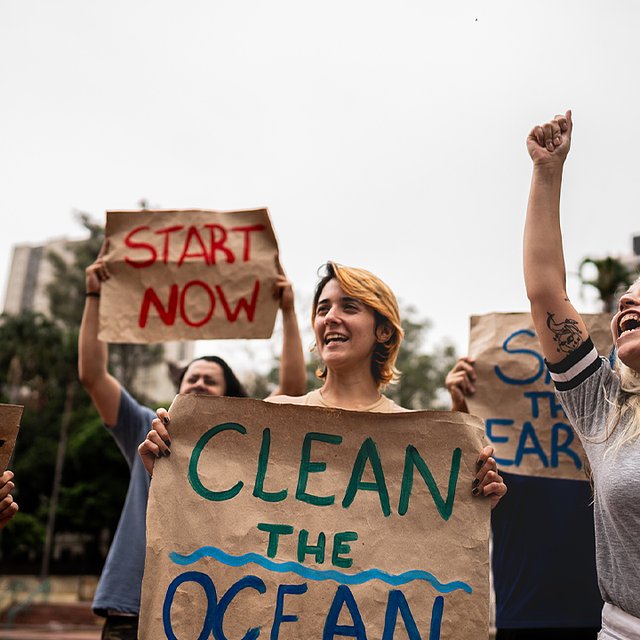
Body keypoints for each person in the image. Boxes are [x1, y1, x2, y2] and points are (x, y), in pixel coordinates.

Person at [140, 261, 507, 513]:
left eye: (349, 306)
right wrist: (167, 469)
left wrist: (473, 502)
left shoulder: (415, 437)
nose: (331, 317)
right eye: (322, 308)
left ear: (383, 331)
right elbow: (223, 513)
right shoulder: (277, 415)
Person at [79, 244, 307, 640]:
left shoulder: (246, 443)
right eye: (191, 378)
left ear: (231, 399)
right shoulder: (146, 426)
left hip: (209, 612)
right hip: (130, 610)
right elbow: (93, 375)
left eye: (210, 380)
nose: (198, 382)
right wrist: (95, 295)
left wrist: (287, 310)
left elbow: (290, 391)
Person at [524, 110, 640, 638]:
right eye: (626, 295)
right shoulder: (605, 408)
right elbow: (547, 290)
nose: (627, 299)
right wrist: (548, 172)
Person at [446, 357, 602, 638]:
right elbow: (460, 492)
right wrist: (461, 410)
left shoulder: (605, 429)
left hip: (606, 616)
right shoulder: (502, 446)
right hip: (521, 612)